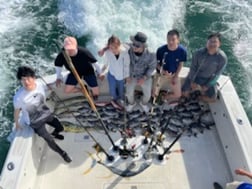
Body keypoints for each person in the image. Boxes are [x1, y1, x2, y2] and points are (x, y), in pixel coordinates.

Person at [13, 66, 72, 163]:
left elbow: (49, 86)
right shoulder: (18, 97)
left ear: (34, 78)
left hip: (46, 113)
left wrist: (57, 81)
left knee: (60, 127)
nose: (26, 82)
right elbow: (16, 111)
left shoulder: (40, 84)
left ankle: (55, 133)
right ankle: (63, 153)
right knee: (49, 140)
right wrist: (17, 123)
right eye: (23, 80)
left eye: (28, 78)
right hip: (35, 122)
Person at [182, 32, 227, 102]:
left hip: (208, 79)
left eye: (215, 42)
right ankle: (193, 96)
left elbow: (217, 74)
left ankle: (198, 98)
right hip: (196, 77)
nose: (212, 44)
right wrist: (192, 81)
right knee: (184, 93)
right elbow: (193, 68)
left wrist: (208, 85)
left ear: (219, 44)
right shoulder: (198, 53)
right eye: (210, 41)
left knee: (212, 99)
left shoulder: (222, 58)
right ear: (207, 42)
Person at [125, 32, 156, 113]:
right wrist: (127, 75)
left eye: (137, 45)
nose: (134, 46)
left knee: (147, 95)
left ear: (143, 46)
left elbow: (152, 67)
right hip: (131, 75)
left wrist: (144, 78)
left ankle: (143, 103)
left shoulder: (151, 54)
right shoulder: (128, 49)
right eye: (133, 44)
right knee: (128, 93)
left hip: (145, 76)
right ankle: (131, 103)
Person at [154, 29, 187, 102]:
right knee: (153, 94)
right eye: (168, 39)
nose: (170, 42)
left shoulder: (183, 51)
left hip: (174, 75)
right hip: (161, 74)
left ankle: (164, 96)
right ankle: (157, 95)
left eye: (173, 39)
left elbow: (181, 64)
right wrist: (162, 71)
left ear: (178, 40)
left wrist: (176, 76)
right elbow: (156, 63)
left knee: (178, 95)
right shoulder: (160, 50)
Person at [99, 35, 130, 107]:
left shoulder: (125, 52)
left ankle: (121, 100)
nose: (113, 50)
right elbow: (106, 64)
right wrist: (103, 73)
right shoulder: (107, 52)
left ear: (119, 45)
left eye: (115, 47)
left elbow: (126, 65)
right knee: (112, 93)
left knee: (121, 92)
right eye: (111, 48)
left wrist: (127, 76)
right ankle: (115, 103)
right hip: (111, 74)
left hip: (121, 76)